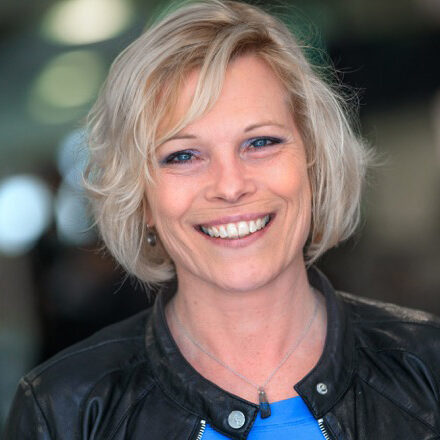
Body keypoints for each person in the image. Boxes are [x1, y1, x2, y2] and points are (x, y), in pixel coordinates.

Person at [4, 1, 440, 439]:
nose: (230, 186)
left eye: (261, 142)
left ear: (314, 162)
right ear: (142, 198)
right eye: (183, 155)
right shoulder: (63, 409)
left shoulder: (429, 365)